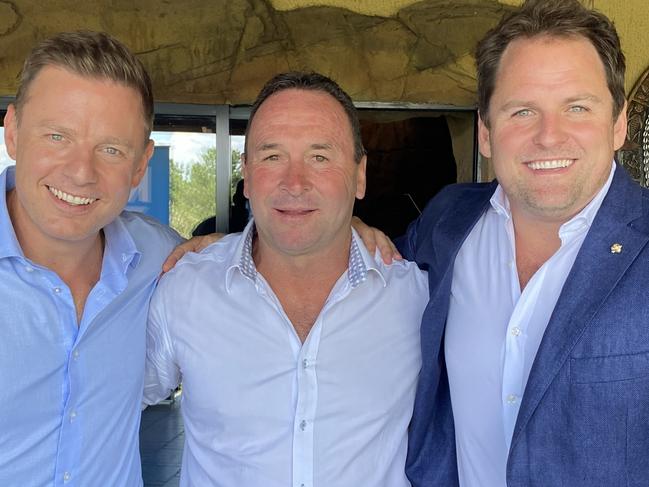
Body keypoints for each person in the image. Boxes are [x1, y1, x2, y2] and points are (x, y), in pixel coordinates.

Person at [357, 0, 647, 485]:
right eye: (522, 111)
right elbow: (366, 270)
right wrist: (232, 248)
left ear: (617, 124)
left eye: (577, 107)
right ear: (486, 132)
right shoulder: (449, 220)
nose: (549, 137)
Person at [143, 72, 435, 487]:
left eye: (320, 157)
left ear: (360, 175)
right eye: (272, 156)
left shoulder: (415, 296)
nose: (294, 183)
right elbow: (109, 402)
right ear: (245, 173)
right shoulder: (186, 289)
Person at [0, 31, 191, 486]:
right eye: (57, 135)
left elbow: (264, 267)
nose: (81, 172)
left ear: (140, 165)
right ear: (12, 132)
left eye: (110, 149)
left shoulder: (162, 259)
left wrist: (350, 233)